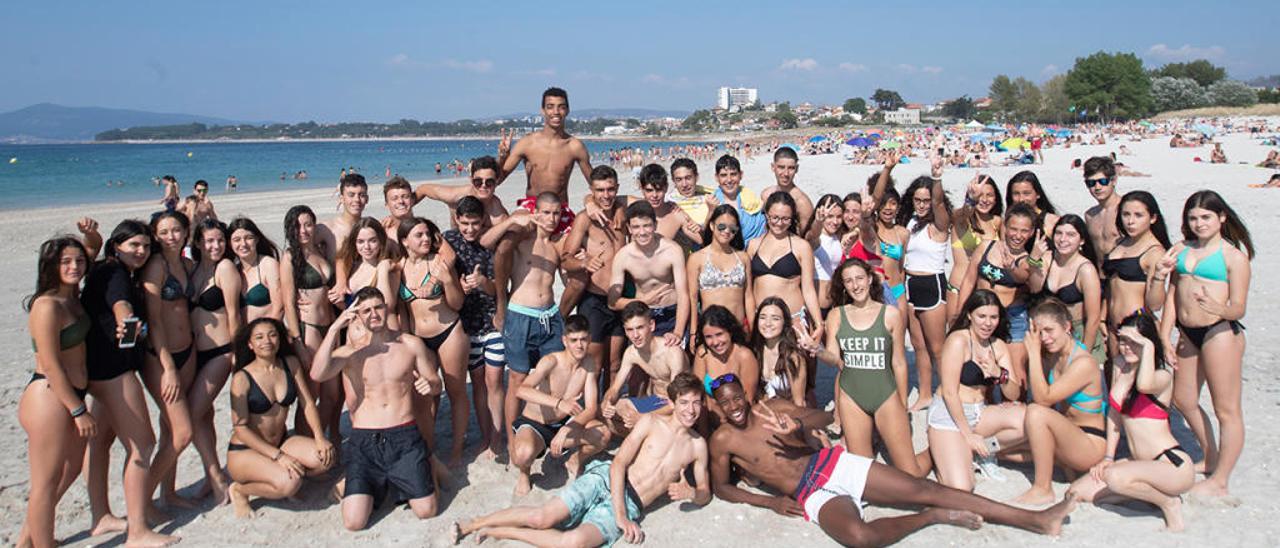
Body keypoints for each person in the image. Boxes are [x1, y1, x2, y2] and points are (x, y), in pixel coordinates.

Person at [708, 376, 1076, 546]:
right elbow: (722, 487)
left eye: (736, 398)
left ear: (746, 393)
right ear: (718, 405)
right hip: (810, 494)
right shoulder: (722, 439)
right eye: (724, 402)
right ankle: (929, 518)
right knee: (861, 537)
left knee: (926, 488)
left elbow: (824, 419)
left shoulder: (773, 408)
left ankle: (1037, 520)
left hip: (831, 464)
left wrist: (796, 425)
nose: (733, 407)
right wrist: (769, 501)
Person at [451, 373, 710, 547]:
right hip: (605, 479)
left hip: (634, 504)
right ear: (673, 402)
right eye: (684, 402)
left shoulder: (697, 446)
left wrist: (691, 493)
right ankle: (475, 523)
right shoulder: (651, 423)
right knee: (542, 518)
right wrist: (620, 515)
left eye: (696, 403)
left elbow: (704, 493)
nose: (690, 410)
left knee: (572, 543)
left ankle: (499, 531)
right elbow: (619, 464)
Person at [310, 287, 443, 531]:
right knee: (353, 523)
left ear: (386, 308)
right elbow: (317, 373)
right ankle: (383, 481)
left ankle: (414, 471)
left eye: (378, 307)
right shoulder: (351, 352)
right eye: (366, 310)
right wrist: (333, 329)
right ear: (357, 316)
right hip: (365, 440)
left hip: (404, 436)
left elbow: (436, 383)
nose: (373, 314)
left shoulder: (409, 344)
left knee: (427, 511)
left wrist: (430, 384)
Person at [1149, 190, 1253, 498]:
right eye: (1193, 218)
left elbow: (1239, 307)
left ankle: (1220, 479)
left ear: (1221, 217)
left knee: (1227, 409)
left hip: (1220, 332)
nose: (1199, 223)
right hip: (1187, 332)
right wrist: (1166, 335)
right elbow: (1171, 295)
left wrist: (1217, 308)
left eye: (1206, 217)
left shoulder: (1233, 257)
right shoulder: (1179, 249)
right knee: (1184, 399)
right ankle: (1210, 455)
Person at [82, 220, 178, 546]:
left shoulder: (104, 269)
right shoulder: (117, 275)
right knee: (143, 445)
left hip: (95, 370)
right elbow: (120, 303)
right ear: (116, 246)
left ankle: (100, 516)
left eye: (145, 247)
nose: (141, 252)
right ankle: (137, 530)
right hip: (114, 372)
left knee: (101, 442)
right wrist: (126, 321)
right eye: (134, 246)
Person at [797, 258, 930, 477]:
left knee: (911, 474)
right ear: (843, 285)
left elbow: (898, 362)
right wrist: (818, 350)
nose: (855, 285)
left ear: (870, 279)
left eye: (859, 278)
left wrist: (903, 402)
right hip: (852, 396)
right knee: (863, 473)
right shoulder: (836, 315)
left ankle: (935, 452)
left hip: (885, 394)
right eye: (848, 281)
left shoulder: (890, 314)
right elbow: (835, 358)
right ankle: (873, 440)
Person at [1068, 310, 1193, 531]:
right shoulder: (1120, 366)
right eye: (1123, 340)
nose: (1126, 347)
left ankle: (1168, 502)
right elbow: (1115, 416)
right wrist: (1108, 456)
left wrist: (1148, 347)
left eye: (1134, 342)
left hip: (1170, 464)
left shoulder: (1162, 376)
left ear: (1148, 343)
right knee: (1077, 492)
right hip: (1138, 463)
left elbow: (1144, 385)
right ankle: (1147, 495)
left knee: (1115, 478)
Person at [19, 236, 96, 548]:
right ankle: (43, 543)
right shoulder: (47, 305)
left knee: (73, 468)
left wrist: (90, 239)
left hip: (72, 393)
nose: (74, 266)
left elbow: (92, 249)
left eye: (78, 261)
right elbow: (51, 365)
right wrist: (78, 409)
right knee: (45, 483)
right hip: (49, 397)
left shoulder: (72, 296)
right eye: (65, 262)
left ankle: (27, 538)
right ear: (50, 266)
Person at [482, 191, 568, 462]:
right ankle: (511, 438)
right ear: (536, 211)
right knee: (517, 381)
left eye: (556, 213)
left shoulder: (557, 244)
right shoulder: (521, 239)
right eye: (545, 212)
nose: (551, 219)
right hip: (520, 315)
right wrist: (511, 222)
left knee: (552, 377)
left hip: (550, 318)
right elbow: (488, 243)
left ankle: (546, 430)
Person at [226, 318, 334, 518]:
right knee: (289, 484)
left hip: (281, 442)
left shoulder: (290, 364)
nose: (267, 341)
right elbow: (240, 427)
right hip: (246, 451)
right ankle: (240, 491)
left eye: (272, 334)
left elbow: (308, 403)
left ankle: (283, 476)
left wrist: (319, 437)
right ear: (250, 345)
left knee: (325, 459)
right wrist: (279, 457)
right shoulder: (242, 378)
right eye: (259, 337)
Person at [928, 289, 1026, 491]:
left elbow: (1014, 394)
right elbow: (949, 392)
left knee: (1027, 420)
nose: (987, 323)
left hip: (980, 413)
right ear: (969, 315)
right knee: (962, 487)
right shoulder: (958, 341)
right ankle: (954, 451)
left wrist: (1000, 374)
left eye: (993, 317)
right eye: (981, 316)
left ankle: (985, 452)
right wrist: (968, 435)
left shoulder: (998, 345)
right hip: (950, 416)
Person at [1016, 298, 1107, 505]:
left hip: (1088, 443)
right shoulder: (1054, 356)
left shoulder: (1083, 362)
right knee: (1007, 449)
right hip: (1067, 435)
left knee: (1035, 412)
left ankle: (1042, 488)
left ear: (1067, 327)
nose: (1045, 338)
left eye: (1049, 330)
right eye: (1039, 333)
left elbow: (1043, 399)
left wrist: (1032, 352)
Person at [509, 315, 611, 495]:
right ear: (565, 341)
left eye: (583, 339)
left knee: (603, 435)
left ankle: (575, 459)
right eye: (574, 340)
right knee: (522, 455)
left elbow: (591, 408)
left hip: (563, 424)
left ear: (589, 339)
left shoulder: (589, 364)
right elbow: (521, 390)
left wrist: (566, 429)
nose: (579, 345)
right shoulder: (551, 361)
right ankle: (525, 473)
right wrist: (558, 403)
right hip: (536, 424)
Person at [398, 216, 471, 467]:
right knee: (425, 396)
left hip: (449, 332)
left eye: (428, 234)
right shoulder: (398, 268)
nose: (426, 239)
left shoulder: (439, 263)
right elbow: (401, 310)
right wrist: (407, 342)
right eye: (419, 235)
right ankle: (428, 448)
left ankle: (458, 449)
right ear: (405, 241)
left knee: (456, 391)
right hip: (419, 339)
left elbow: (458, 303)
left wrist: (448, 280)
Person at [180, 219, 242, 505]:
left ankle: (216, 477)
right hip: (196, 354)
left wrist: (238, 354)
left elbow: (233, 314)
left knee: (191, 414)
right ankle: (211, 474)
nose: (215, 246)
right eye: (209, 241)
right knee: (203, 416)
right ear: (198, 243)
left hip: (221, 352)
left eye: (220, 240)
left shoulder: (225, 268)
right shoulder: (193, 270)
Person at [139, 211, 198, 510]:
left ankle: (169, 492)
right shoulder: (155, 267)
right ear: (155, 234)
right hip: (161, 358)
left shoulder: (187, 265)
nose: (171, 236)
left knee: (168, 428)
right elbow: (155, 321)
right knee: (182, 431)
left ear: (186, 232)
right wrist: (169, 368)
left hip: (187, 352)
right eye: (164, 232)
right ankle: (141, 501)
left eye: (176, 230)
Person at [443, 196, 505, 458]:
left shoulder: (490, 245)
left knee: (495, 382)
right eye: (465, 223)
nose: (470, 229)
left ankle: (497, 437)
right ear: (457, 220)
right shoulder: (448, 240)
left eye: (475, 223)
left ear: (483, 222)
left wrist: (481, 282)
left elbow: (497, 288)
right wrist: (460, 285)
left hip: (491, 323)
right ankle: (484, 436)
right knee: (478, 382)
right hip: (466, 325)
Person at [956, 204, 1037, 392]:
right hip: (983, 314)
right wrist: (960, 312)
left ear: (1032, 232)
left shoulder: (1028, 262)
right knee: (982, 369)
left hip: (1012, 318)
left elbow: (1030, 281)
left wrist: (1012, 268)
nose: (1017, 235)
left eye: (1024, 231)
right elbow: (969, 280)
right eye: (1013, 229)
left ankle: (1018, 413)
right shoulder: (986, 246)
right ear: (1004, 227)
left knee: (1016, 374)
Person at [561, 166, 628, 390]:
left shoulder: (623, 213)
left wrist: (619, 207)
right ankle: (592, 414)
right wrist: (583, 263)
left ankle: (609, 413)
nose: (606, 195)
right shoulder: (585, 220)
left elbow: (645, 198)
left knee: (616, 364)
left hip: (620, 299)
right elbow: (565, 259)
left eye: (610, 189)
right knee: (594, 365)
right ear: (592, 190)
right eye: (599, 190)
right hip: (594, 300)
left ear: (617, 189)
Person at [280, 205, 340, 444]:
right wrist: (298, 342)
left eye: (307, 224)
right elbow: (288, 303)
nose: (303, 230)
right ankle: (304, 441)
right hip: (310, 330)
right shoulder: (289, 259)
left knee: (332, 395)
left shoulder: (321, 250)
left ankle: (317, 441)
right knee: (311, 393)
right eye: (297, 226)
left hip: (331, 327)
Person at [899, 160, 953, 412]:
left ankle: (947, 392)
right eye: (918, 200)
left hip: (932, 284)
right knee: (919, 346)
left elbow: (940, 204)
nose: (922, 205)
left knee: (938, 349)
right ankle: (924, 394)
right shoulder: (910, 222)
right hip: (910, 284)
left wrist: (937, 179)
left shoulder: (940, 224)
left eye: (926, 200)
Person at [607, 201, 690, 343]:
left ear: (655, 225)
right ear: (629, 228)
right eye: (636, 227)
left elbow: (683, 294)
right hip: (643, 316)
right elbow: (612, 302)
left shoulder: (672, 250)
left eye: (647, 226)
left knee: (676, 361)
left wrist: (678, 332)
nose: (642, 232)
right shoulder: (623, 257)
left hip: (673, 313)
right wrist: (642, 301)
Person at [601, 302, 688, 435]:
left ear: (651, 325)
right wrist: (608, 402)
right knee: (605, 411)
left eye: (640, 327)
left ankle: (645, 436)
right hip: (655, 401)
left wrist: (643, 417)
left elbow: (678, 399)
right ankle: (643, 436)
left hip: (679, 406)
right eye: (630, 330)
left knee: (638, 421)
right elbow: (614, 388)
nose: (635, 335)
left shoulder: (672, 352)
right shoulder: (631, 353)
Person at [1029, 215, 1104, 364]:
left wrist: (1083, 354)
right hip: (1049, 334)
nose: (1063, 239)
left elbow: (1093, 318)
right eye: (1059, 233)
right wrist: (1034, 260)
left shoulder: (1086, 270)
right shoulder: (1047, 258)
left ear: (1082, 240)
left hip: (1078, 332)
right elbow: (1035, 289)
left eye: (1071, 235)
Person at [749, 192, 823, 341]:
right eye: (774, 217)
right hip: (762, 322)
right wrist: (751, 320)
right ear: (766, 215)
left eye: (785, 219)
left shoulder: (801, 246)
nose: (779, 223)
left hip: (792, 320)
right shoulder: (754, 244)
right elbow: (748, 289)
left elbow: (808, 289)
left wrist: (818, 322)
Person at [1103, 191, 1171, 353]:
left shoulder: (1155, 252)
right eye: (1126, 214)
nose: (1130, 221)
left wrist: (1159, 278)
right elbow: (1112, 285)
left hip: (1136, 328)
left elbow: (1155, 304)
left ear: (1153, 218)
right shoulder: (1121, 242)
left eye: (1138, 215)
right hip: (1113, 326)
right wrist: (1102, 318)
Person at [686, 204, 754, 332]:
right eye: (722, 226)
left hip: (738, 329)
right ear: (712, 226)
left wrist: (752, 327)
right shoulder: (696, 259)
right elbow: (693, 298)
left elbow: (748, 295)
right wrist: (693, 332)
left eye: (732, 228)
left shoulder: (743, 257)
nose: (727, 231)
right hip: (711, 331)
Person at [692, 305, 758, 425]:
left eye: (719, 334)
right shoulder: (703, 354)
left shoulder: (744, 356)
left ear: (730, 332)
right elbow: (700, 397)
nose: (715, 342)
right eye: (708, 337)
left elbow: (748, 400)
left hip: (739, 420)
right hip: (710, 420)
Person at [950, 175, 1003, 320]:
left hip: (986, 292)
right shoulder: (961, 220)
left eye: (989, 195)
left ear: (996, 198)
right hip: (959, 288)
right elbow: (961, 213)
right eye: (980, 195)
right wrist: (971, 200)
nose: (984, 200)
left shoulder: (998, 223)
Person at [866, 155, 908, 308]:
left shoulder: (903, 233)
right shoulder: (871, 228)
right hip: (876, 291)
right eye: (883, 204)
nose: (888, 208)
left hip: (898, 290)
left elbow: (901, 268)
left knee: (900, 331)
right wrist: (887, 169)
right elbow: (875, 197)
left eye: (893, 204)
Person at [634, 163, 705, 250]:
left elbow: (700, 240)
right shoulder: (633, 210)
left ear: (666, 188)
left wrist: (700, 228)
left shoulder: (676, 213)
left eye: (659, 190)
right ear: (642, 189)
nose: (654, 195)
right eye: (649, 190)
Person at [319, 173, 370, 287]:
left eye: (361, 195)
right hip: (335, 293)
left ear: (366, 199)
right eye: (351, 195)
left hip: (365, 291)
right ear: (341, 198)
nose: (357, 199)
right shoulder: (326, 229)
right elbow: (301, 250)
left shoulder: (371, 228)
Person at [228, 217, 283, 323]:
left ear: (257, 239)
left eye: (248, 238)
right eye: (237, 240)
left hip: (267, 335)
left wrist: (268, 334)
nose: (243, 244)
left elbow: (279, 308)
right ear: (230, 244)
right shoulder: (234, 270)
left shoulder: (268, 264)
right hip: (244, 337)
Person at [710, 155, 766, 242]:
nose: (729, 180)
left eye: (733, 174)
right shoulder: (712, 202)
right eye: (724, 175)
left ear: (741, 175)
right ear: (717, 178)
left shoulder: (752, 200)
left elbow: (763, 225)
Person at [760, 146, 815, 233]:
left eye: (791, 168)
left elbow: (808, 237)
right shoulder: (766, 195)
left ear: (797, 169)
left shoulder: (802, 203)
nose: (786, 173)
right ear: (773, 167)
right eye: (781, 167)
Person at [807, 194, 845, 312]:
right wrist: (818, 221)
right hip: (815, 308)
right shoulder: (817, 239)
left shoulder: (837, 237)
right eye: (830, 216)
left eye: (839, 216)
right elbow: (812, 235)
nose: (835, 221)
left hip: (833, 306)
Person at [1082, 156, 1123, 260]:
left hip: (1125, 274)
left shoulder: (1126, 210)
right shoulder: (1089, 215)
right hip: (1099, 274)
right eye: (1091, 183)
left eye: (1103, 181)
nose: (1097, 187)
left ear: (1114, 180)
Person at [1005, 170, 1059, 245]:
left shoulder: (1051, 222)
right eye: (1016, 194)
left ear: (1038, 194)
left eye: (1026, 193)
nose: (1021, 199)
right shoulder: (1007, 221)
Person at [667, 157, 715, 227]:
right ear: (673, 181)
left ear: (697, 177)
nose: (684, 184)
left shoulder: (710, 196)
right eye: (679, 179)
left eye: (688, 178)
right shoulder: (671, 205)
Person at [380, 176, 416, 255]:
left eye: (405, 197)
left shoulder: (425, 229)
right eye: (394, 198)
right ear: (387, 204)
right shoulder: (383, 232)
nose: (400, 201)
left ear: (412, 200)